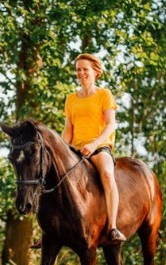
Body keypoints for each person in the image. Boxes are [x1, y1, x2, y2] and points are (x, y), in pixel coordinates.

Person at [61, 53, 126, 242]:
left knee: (107, 173)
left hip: (99, 148)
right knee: (51, 176)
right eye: (78, 69)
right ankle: (49, 232)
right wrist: (60, 149)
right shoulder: (71, 99)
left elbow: (111, 125)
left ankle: (113, 227)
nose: (81, 73)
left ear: (95, 72)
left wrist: (94, 144)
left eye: (85, 69)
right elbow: (67, 131)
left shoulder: (104, 94)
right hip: (75, 150)